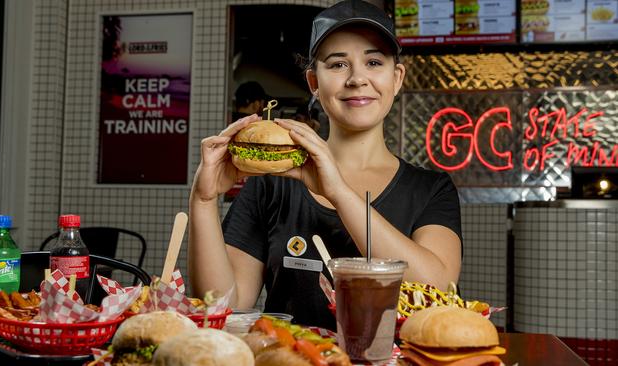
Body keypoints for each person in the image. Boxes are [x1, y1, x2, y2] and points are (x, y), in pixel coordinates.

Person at [188, 0, 462, 330]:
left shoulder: (430, 189)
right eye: (337, 65)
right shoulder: (272, 182)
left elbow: (436, 292)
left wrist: (339, 193)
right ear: (314, 83)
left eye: (374, 62)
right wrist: (203, 202)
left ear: (397, 78)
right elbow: (221, 305)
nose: (357, 78)